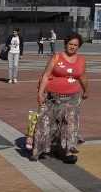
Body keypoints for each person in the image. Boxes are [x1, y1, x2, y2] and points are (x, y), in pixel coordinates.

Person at [31, 32, 89, 163]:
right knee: (45, 122)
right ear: (65, 44)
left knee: (70, 123)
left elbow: (82, 77)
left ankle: (69, 152)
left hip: (72, 97)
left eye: (75, 45)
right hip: (52, 97)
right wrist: (40, 94)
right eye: (70, 44)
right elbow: (46, 75)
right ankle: (46, 146)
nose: (72, 47)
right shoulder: (56, 57)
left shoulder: (81, 60)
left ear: (78, 46)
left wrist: (86, 91)